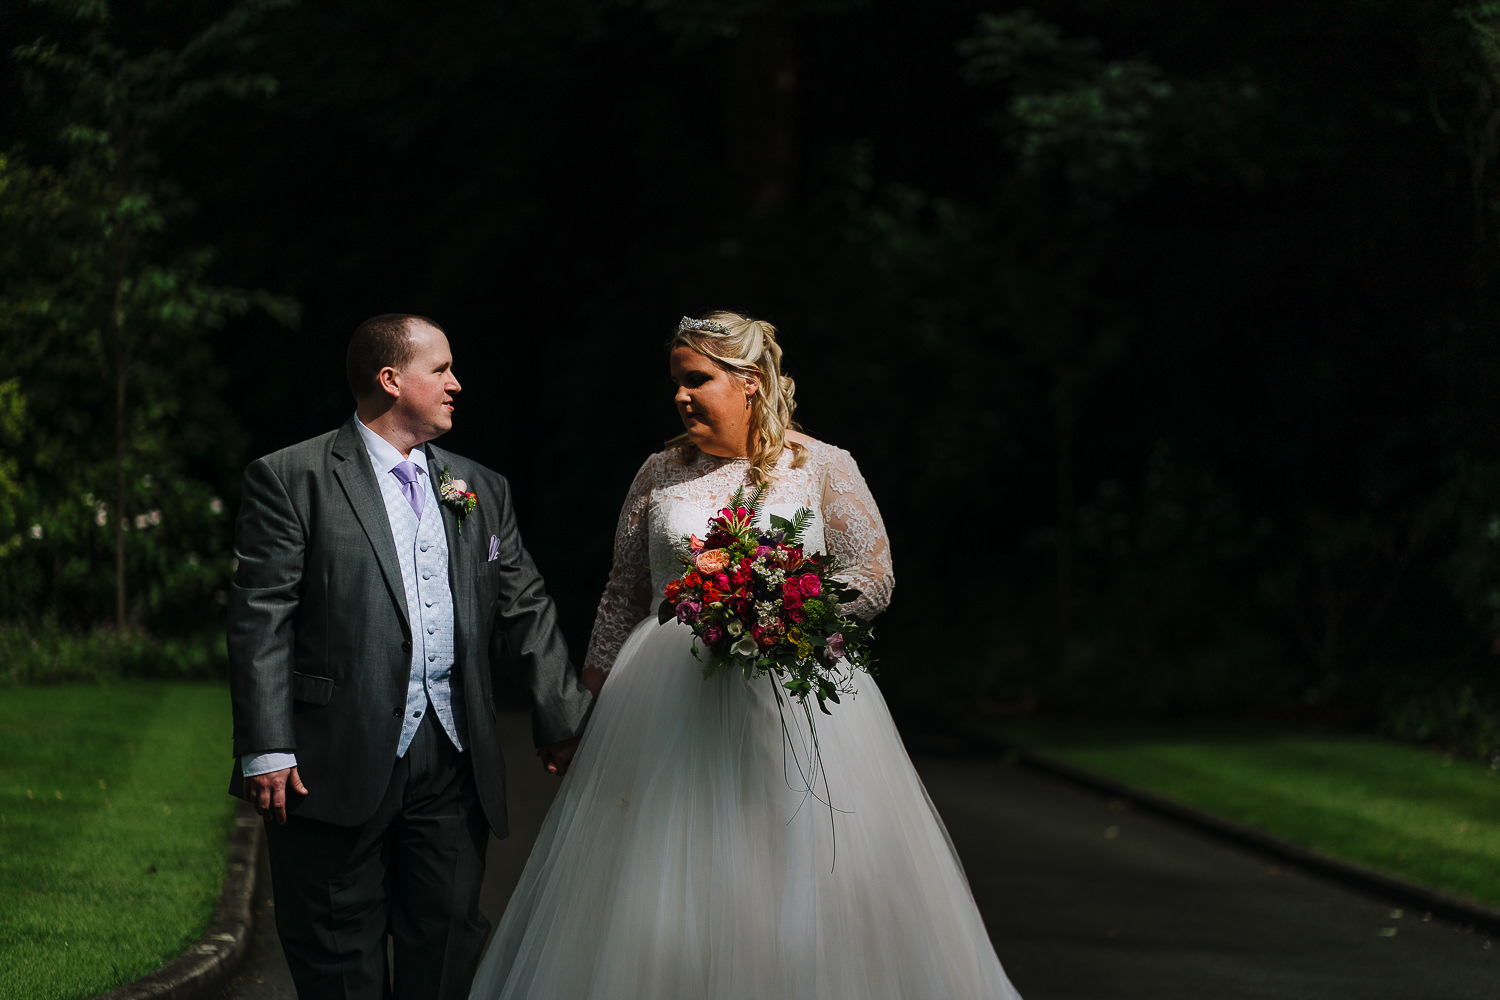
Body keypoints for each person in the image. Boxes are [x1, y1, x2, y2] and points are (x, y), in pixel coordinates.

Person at [469, 312, 1021, 999]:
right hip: (663, 706)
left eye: (696, 380)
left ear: (749, 383)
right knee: (659, 873)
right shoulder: (658, 473)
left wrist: (782, 604)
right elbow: (621, 596)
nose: (680, 396)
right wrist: (581, 706)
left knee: (797, 865)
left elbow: (872, 576)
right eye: (676, 382)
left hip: (789, 692)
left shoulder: (820, 466)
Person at [227, 313, 593, 1000]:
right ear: (391, 379)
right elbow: (260, 616)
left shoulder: (480, 489)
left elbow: (525, 608)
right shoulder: (292, 477)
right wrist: (267, 746)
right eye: (441, 369)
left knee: (449, 937)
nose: (457, 383)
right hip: (331, 755)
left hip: (453, 757)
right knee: (338, 950)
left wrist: (562, 717)